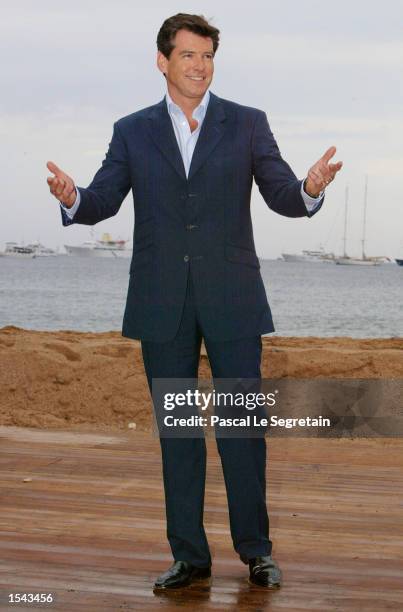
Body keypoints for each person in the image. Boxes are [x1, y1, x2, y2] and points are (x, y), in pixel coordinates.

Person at [47, 13, 342, 590]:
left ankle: (256, 551)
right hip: (163, 303)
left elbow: (281, 192)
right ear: (163, 61)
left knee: (242, 432)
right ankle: (189, 556)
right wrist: (73, 196)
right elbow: (103, 198)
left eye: (206, 56)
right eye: (187, 55)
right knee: (178, 434)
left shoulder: (248, 124)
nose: (199, 66)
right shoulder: (132, 130)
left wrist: (308, 190)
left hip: (232, 298)